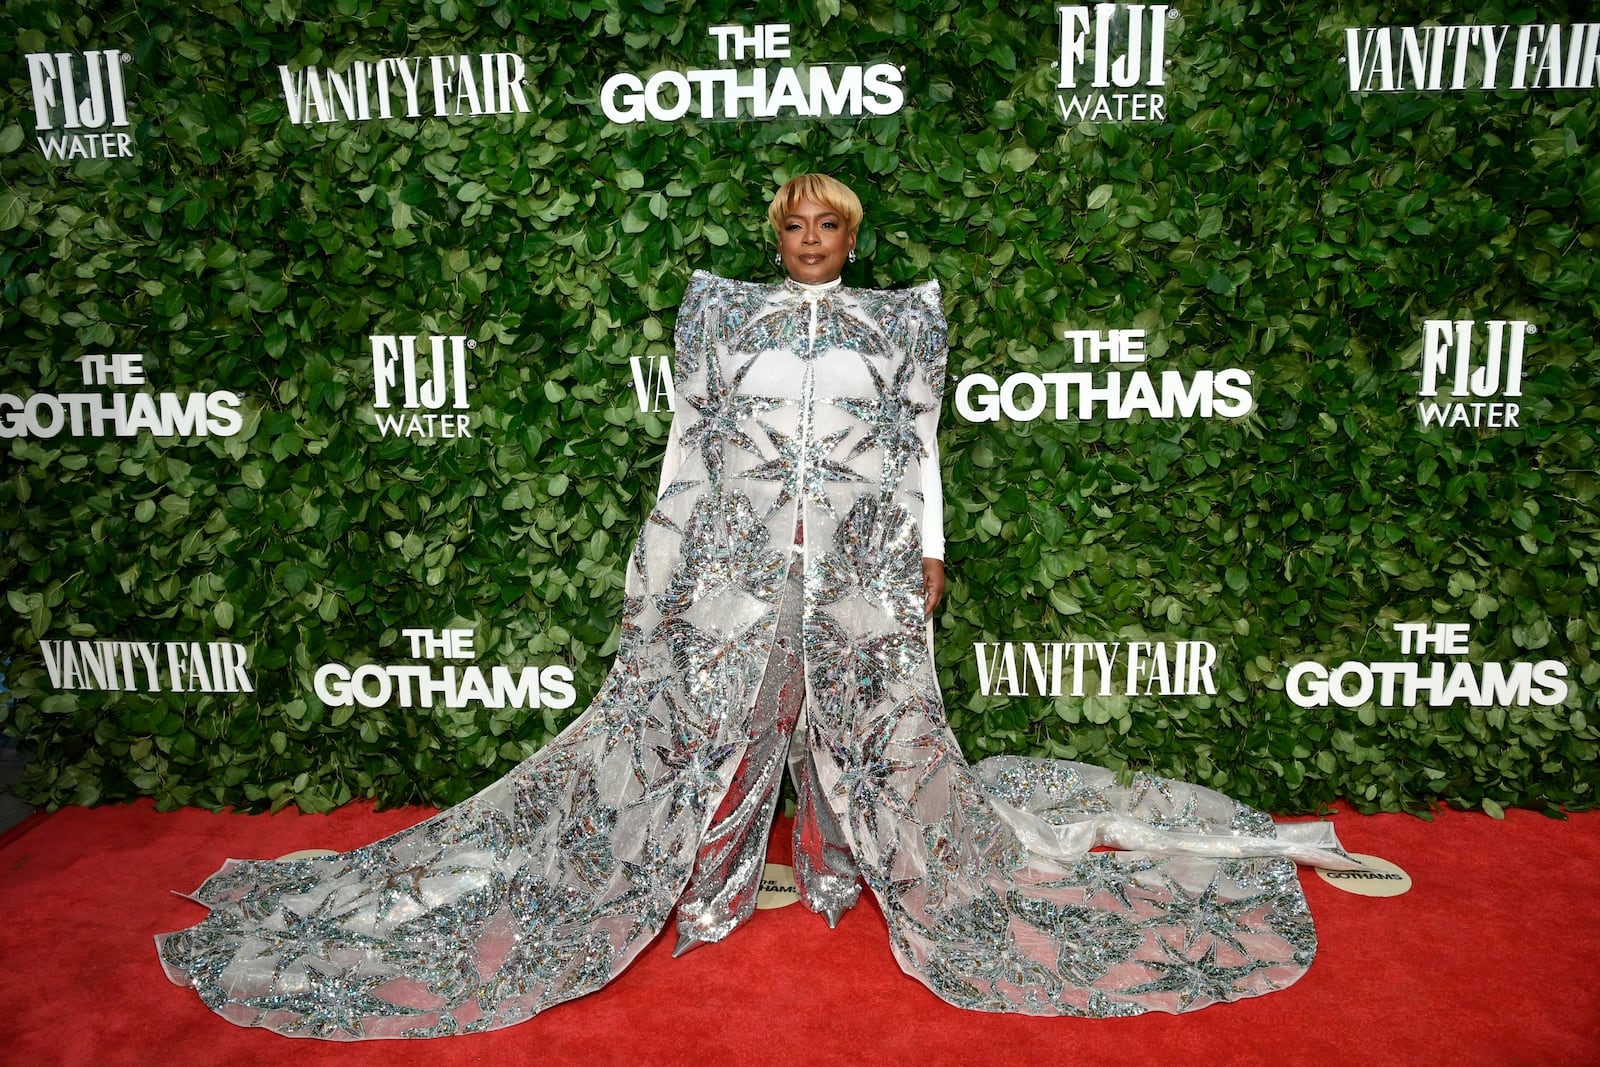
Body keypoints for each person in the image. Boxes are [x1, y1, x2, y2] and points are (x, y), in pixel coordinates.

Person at [156, 174, 1354, 1039]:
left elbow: (916, 445)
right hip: (731, 558)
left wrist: (929, 548)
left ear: (852, 234)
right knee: (709, 712)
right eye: (794, 223)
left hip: (860, 557)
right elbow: (689, 440)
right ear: (773, 232)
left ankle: (842, 867)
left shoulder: (901, 323)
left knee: (869, 717)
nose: (811, 239)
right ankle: (712, 875)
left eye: (830, 224)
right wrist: (661, 556)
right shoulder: (720, 314)